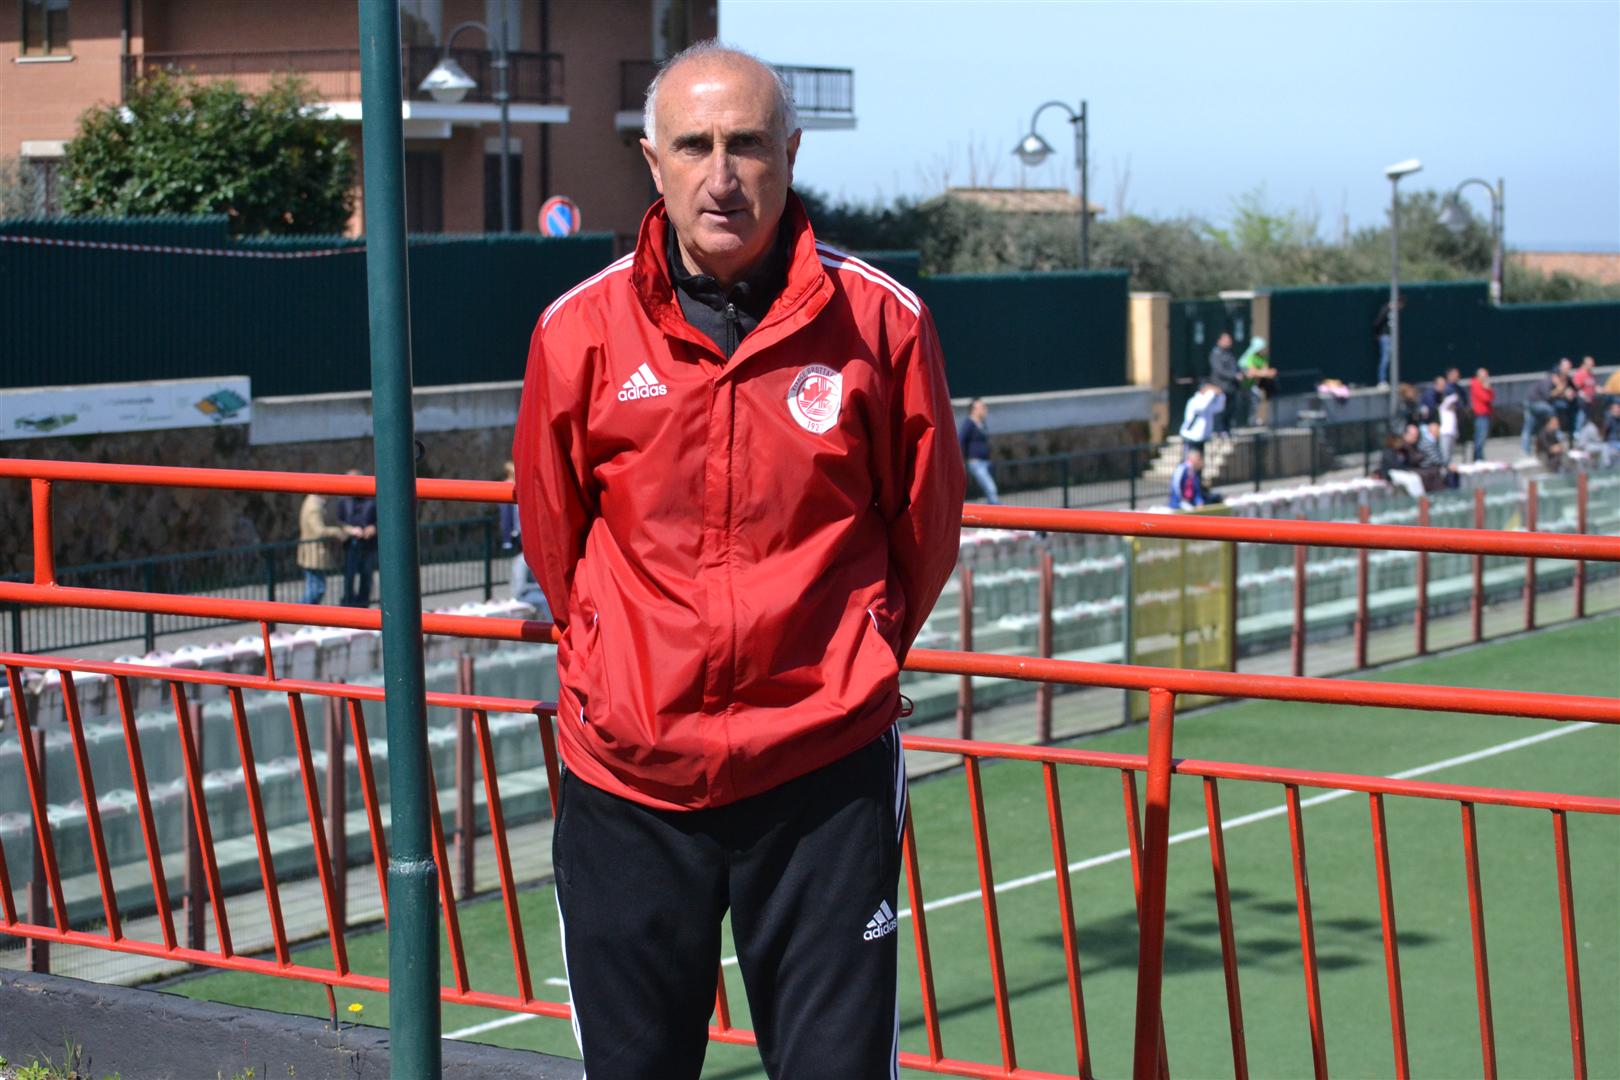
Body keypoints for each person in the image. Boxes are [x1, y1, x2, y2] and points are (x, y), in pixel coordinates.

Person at [511, 42, 963, 1080]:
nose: (722, 176)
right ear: (653, 162)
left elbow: (924, 529)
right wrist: (617, 670)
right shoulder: (577, 331)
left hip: (821, 777)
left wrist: (850, 656)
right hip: (630, 775)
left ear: (790, 155)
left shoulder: (882, 322)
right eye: (695, 146)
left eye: (748, 145)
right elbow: (554, 535)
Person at [499, 460, 550, 616]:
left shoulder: (517, 487)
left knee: (523, 566)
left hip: (521, 532)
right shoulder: (508, 488)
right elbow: (507, 517)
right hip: (519, 534)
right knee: (521, 567)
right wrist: (507, 539)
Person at [296, 492, 348, 605]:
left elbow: (331, 522)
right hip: (314, 553)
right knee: (317, 589)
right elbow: (319, 531)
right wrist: (337, 532)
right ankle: (297, 611)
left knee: (315, 587)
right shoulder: (314, 507)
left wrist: (346, 529)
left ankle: (302, 612)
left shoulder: (314, 502)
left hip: (313, 552)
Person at [337, 469, 378, 607]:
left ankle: (363, 606)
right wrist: (349, 530)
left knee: (366, 576)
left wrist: (373, 528)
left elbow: (382, 517)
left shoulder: (372, 498)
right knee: (349, 577)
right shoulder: (343, 501)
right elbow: (338, 521)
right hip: (351, 543)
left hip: (369, 543)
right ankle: (349, 605)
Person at [959, 397, 1000, 504]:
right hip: (976, 463)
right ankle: (997, 508)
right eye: (982, 407)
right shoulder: (969, 423)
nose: (985, 409)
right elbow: (961, 440)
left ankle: (992, 510)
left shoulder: (982, 423)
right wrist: (962, 460)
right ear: (974, 410)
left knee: (989, 490)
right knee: (991, 488)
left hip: (986, 461)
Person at [1374, 427, 1425, 498]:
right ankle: (1414, 497)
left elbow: (1407, 462)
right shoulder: (1388, 452)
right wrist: (1405, 469)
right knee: (1408, 480)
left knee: (1415, 478)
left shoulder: (1403, 451)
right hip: (1391, 473)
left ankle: (1421, 497)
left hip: (1402, 471)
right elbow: (1394, 465)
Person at [1237, 336, 1277, 425]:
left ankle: (1251, 420)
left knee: (1255, 399)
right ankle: (1239, 422)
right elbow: (1252, 371)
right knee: (1241, 404)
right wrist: (1264, 373)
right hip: (1241, 385)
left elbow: (1265, 370)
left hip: (1252, 384)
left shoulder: (1263, 357)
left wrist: (1265, 372)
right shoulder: (1249, 356)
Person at [1207, 330, 1240, 437]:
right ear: (1219, 341)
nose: (1229, 342)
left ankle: (1227, 429)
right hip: (1221, 387)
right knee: (1221, 410)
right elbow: (1219, 370)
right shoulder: (1216, 353)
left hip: (1231, 387)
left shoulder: (1230, 353)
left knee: (1231, 409)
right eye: (1226, 340)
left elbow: (1235, 367)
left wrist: (1241, 373)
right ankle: (1219, 431)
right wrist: (1234, 375)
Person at [1178, 381, 1224, 454]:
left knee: (1199, 460)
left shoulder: (1208, 403)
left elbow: (1219, 407)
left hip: (1202, 437)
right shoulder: (1194, 401)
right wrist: (1211, 393)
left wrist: (1221, 394)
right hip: (1190, 436)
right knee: (1190, 459)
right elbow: (1202, 406)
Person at [1521, 370, 1558, 455]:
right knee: (1551, 411)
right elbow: (1547, 396)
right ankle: (1525, 451)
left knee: (1530, 429)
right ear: (1554, 376)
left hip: (1533, 405)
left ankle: (1528, 451)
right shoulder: (1547, 382)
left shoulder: (1550, 383)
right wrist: (1558, 390)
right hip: (1533, 403)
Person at [1373, 297, 1403, 386]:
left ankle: (1392, 379)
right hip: (1385, 336)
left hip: (1392, 336)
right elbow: (1377, 322)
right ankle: (1382, 380)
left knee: (1392, 358)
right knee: (1385, 358)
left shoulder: (1395, 311)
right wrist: (1378, 334)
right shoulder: (1386, 309)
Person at [1469, 367, 1495, 462]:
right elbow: (1486, 398)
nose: (1486, 377)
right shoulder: (1476, 384)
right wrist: (1487, 389)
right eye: (1485, 375)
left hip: (1486, 414)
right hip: (1480, 414)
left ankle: (1480, 457)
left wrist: (1488, 389)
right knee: (1480, 437)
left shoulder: (1484, 385)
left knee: (1482, 437)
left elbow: (1492, 397)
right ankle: (1478, 458)